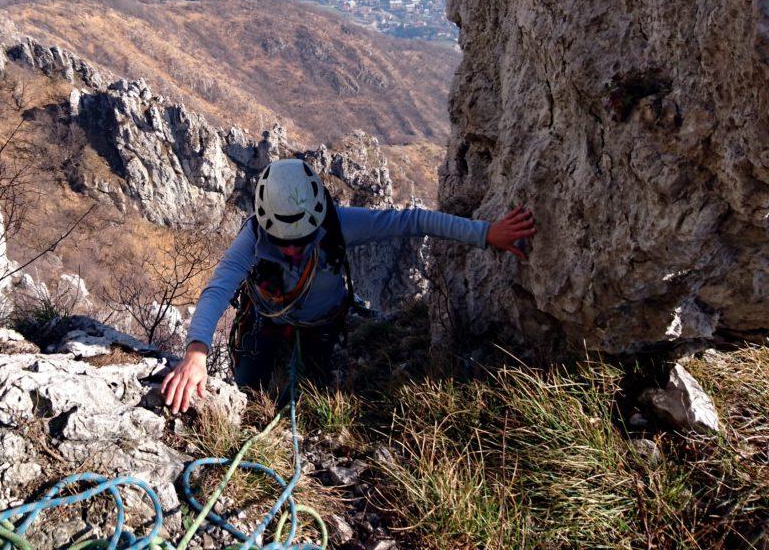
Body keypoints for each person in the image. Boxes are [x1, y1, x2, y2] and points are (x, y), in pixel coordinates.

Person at [161, 158, 536, 413]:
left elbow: (413, 221)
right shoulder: (253, 236)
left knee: (311, 398)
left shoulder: (340, 224)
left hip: (322, 324)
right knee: (246, 387)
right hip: (265, 319)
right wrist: (196, 353)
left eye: (301, 237)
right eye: (282, 240)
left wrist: (486, 234)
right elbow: (218, 289)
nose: (291, 248)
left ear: (318, 218)